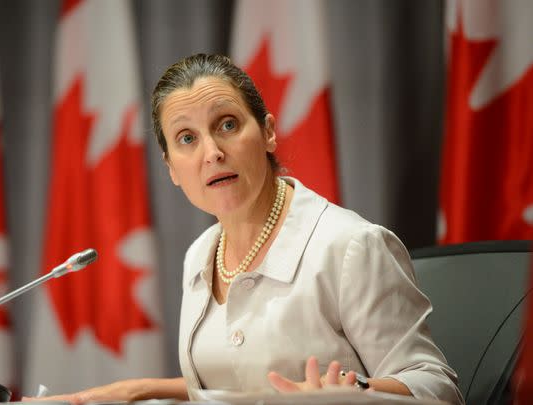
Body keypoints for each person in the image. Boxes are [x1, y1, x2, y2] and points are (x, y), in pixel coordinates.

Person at [27, 53, 463, 404]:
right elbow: (241, 386)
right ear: (171, 169)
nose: (212, 152)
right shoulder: (200, 254)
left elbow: (437, 389)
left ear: (268, 131)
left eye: (228, 125)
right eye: (186, 138)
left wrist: (353, 394)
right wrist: (135, 390)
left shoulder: (350, 247)